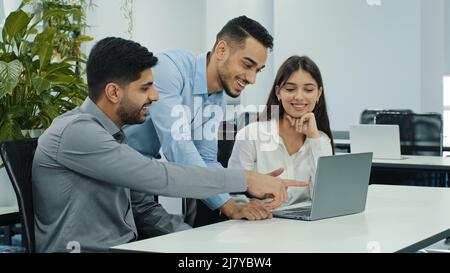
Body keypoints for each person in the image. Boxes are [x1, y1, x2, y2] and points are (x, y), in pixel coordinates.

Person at [31, 37, 307, 253]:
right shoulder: (76, 133)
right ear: (113, 92)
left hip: (127, 247)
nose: (155, 96)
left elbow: (145, 209)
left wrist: (198, 242)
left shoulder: (116, 136)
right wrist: (244, 179)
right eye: (145, 88)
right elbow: (161, 177)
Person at [124, 16, 276, 224]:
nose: (252, 79)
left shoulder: (217, 100)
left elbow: (207, 159)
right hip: (112, 175)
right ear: (221, 50)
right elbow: (178, 146)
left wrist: (238, 200)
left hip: (142, 181)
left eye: (257, 70)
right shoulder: (169, 68)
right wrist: (241, 186)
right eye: (247, 65)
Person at [228, 56, 334, 207]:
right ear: (278, 92)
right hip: (260, 222)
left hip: (305, 225)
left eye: (309, 90)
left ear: (318, 94)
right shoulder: (250, 135)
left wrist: (313, 138)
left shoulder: (321, 140)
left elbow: (328, 195)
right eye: (290, 89)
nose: (299, 97)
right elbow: (233, 192)